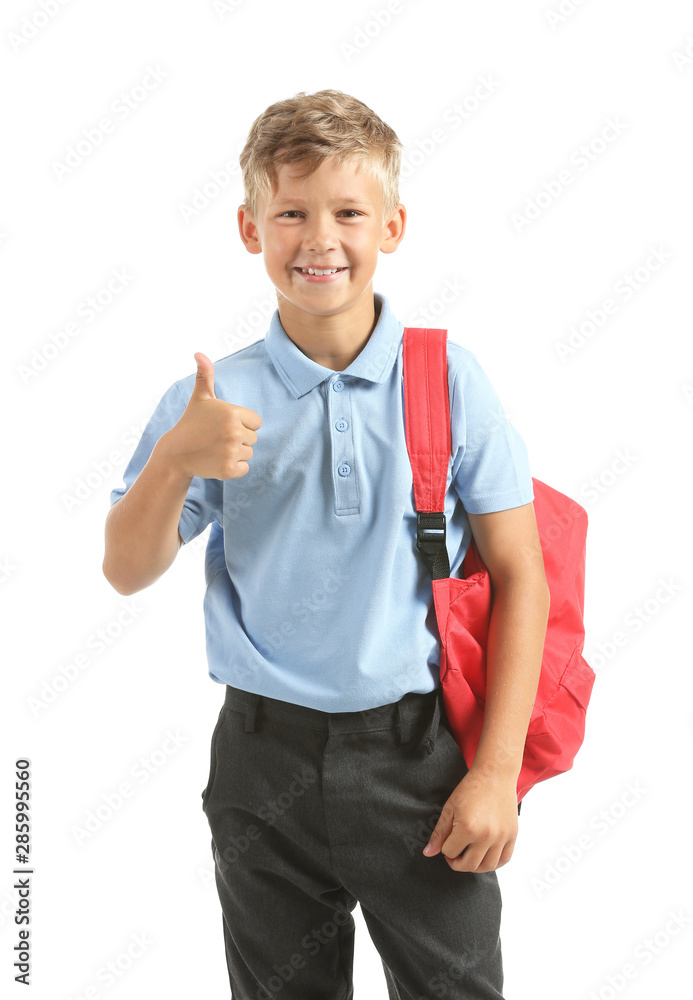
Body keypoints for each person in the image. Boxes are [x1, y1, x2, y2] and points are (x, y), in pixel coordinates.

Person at [103, 89, 550, 1000]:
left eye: (348, 212)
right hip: (260, 754)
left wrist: (496, 771)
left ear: (391, 226)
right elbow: (125, 569)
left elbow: (520, 578)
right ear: (248, 227)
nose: (319, 239)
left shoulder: (449, 380)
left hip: (418, 760)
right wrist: (173, 466)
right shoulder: (213, 396)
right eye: (291, 213)